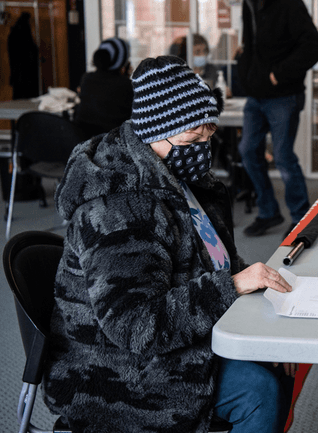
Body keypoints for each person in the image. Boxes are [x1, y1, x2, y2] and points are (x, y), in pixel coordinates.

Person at [43, 55, 297, 433]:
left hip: (172, 343)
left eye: (208, 137)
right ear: (154, 134)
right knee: (262, 390)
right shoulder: (119, 209)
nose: (203, 149)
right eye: (192, 139)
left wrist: (251, 290)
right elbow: (134, 326)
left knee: (273, 358)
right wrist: (232, 286)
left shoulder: (176, 177)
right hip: (117, 371)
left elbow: (212, 260)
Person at [237, 0, 318, 237]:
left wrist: (278, 75)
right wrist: (246, 71)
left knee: (283, 157)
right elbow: (250, 44)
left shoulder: (290, 5)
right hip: (256, 95)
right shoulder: (249, 5)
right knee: (247, 150)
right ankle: (268, 212)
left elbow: (315, 47)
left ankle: (300, 218)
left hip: (284, 96)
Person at [74, 37, 133, 138]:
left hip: (85, 143)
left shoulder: (86, 78)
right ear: (123, 62)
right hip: (113, 145)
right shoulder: (126, 85)